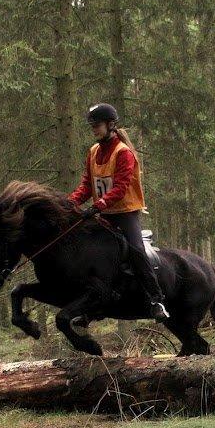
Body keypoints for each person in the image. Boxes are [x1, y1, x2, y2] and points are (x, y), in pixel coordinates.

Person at [68, 103, 170, 322]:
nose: (94, 129)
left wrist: (99, 205)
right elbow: (87, 185)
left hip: (125, 212)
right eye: (92, 126)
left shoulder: (124, 153)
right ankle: (91, 305)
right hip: (104, 213)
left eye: (97, 125)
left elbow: (121, 186)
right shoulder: (93, 152)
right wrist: (70, 203)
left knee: (135, 250)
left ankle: (156, 299)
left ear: (110, 125)